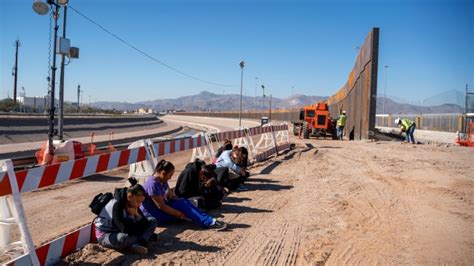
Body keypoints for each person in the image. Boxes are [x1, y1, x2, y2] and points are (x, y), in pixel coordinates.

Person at [140, 159, 227, 230]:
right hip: (153, 214)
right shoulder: (153, 184)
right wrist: (179, 214)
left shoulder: (162, 180)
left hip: (162, 207)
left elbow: (170, 195)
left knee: (184, 203)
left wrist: (181, 202)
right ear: (163, 173)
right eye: (170, 175)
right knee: (183, 210)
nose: (170, 178)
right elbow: (161, 206)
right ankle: (209, 222)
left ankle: (209, 220)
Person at [94, 177, 157, 255]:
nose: (139, 205)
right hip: (107, 235)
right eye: (138, 202)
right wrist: (131, 216)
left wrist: (137, 215)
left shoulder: (132, 203)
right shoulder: (116, 205)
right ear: (130, 196)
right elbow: (124, 229)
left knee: (152, 220)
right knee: (122, 237)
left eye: (140, 202)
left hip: (126, 230)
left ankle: (138, 243)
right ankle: (141, 240)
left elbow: (144, 222)